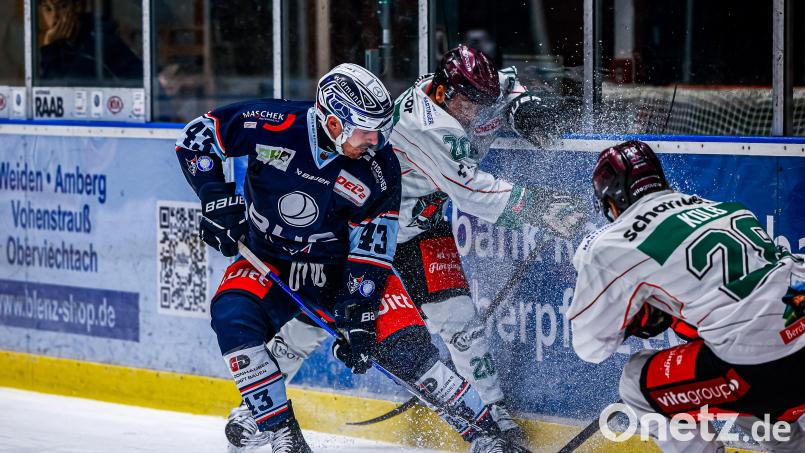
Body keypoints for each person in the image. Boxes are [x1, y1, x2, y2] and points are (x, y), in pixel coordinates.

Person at [177, 63, 519, 453]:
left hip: (340, 269)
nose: (375, 140)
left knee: (409, 351)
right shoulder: (274, 121)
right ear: (334, 121)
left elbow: (372, 249)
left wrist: (360, 308)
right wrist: (212, 194)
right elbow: (197, 137)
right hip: (270, 259)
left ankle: (487, 435)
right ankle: (279, 433)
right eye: (365, 129)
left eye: (380, 128)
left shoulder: (380, 167)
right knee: (232, 318)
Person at [257, 44, 583, 446]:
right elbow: (472, 193)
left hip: (423, 228)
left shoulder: (469, 89)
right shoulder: (424, 125)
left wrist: (523, 108)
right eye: (468, 105)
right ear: (444, 93)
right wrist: (540, 208)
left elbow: (507, 86)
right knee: (319, 322)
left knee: (461, 322)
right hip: (370, 234)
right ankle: (256, 409)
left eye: (483, 104)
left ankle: (495, 417)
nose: (476, 114)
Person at [567, 140, 805, 452]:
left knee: (635, 382)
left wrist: (635, 321)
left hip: (763, 367)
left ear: (613, 202)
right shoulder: (722, 208)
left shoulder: (614, 243)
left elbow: (590, 346)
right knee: (731, 350)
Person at [37, 0, 142, 84]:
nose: (54, 17)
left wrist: (49, 46)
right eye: (47, 9)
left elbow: (60, 93)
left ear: (77, 6)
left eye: (63, 6)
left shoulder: (100, 40)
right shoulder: (62, 45)